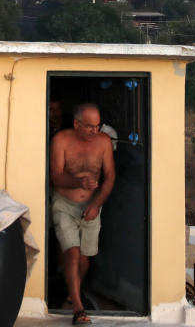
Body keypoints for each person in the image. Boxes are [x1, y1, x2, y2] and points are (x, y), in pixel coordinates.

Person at [50, 103, 115, 325]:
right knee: (72, 252)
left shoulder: (104, 142)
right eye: (89, 127)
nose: (94, 131)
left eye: (97, 126)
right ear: (77, 124)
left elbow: (110, 178)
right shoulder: (61, 140)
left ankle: (71, 295)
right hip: (64, 204)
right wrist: (79, 181)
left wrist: (97, 203)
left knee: (85, 258)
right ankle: (79, 309)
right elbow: (56, 176)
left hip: (91, 206)